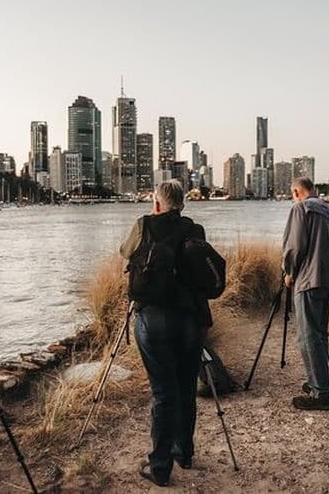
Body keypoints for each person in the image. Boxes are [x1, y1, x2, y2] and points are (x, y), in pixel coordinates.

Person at [119, 180, 211, 487]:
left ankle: (159, 467)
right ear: (182, 203)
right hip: (191, 320)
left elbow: (125, 251)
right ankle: (183, 452)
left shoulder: (144, 224)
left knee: (163, 392)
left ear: (157, 203)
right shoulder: (194, 229)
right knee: (186, 387)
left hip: (154, 318)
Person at [282, 177, 329, 411]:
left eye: (292, 194)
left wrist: (289, 272)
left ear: (297, 191)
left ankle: (322, 393)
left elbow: (295, 247)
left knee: (308, 336)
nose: (292, 197)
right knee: (319, 334)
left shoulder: (301, 208)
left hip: (309, 280)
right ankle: (316, 382)